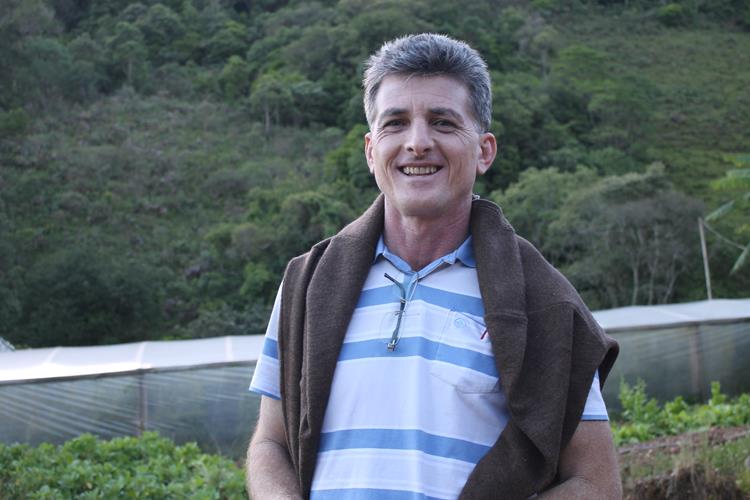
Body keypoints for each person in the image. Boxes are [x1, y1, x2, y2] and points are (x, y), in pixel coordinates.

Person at [247, 33, 621, 499]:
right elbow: (271, 443)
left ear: (484, 150)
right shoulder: (308, 283)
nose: (418, 143)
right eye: (396, 123)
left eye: (443, 123)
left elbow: (595, 482)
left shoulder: (542, 301)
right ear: (370, 150)